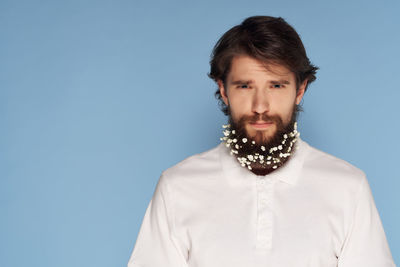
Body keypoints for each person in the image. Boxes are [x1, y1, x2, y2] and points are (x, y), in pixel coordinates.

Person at [127, 16, 395, 267]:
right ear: (223, 90)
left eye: (276, 85)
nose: (260, 106)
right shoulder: (177, 186)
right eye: (245, 86)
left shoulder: (347, 187)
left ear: (299, 90)